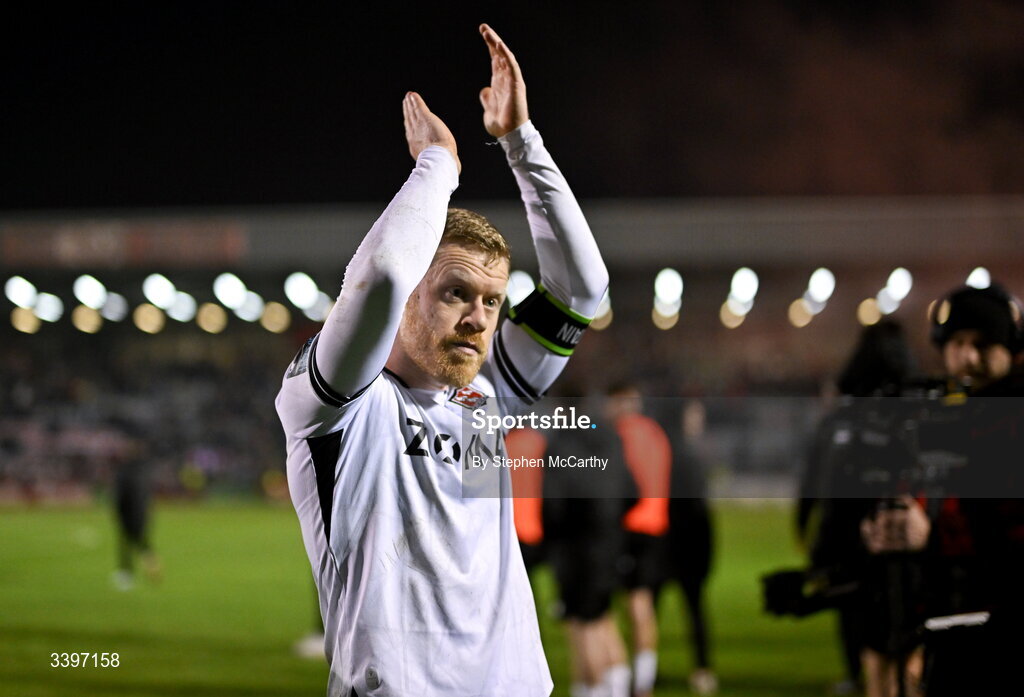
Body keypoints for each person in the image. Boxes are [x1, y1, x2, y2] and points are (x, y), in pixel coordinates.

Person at [276, 24, 608, 697]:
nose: (480, 317)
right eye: (455, 292)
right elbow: (384, 280)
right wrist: (439, 167)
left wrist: (520, 141)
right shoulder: (336, 412)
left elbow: (584, 290)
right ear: (411, 304)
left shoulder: (487, 398)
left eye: (492, 299)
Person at [605, 383, 672, 697]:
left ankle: (633, 685)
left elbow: (618, 485)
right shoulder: (656, 434)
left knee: (631, 607)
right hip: (657, 528)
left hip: (629, 528)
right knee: (644, 604)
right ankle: (644, 679)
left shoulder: (619, 435)